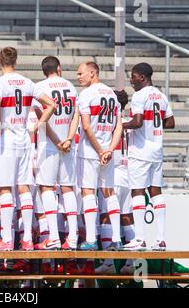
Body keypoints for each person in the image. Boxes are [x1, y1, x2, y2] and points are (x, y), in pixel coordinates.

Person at [0, 47, 56, 251]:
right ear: (16, 61)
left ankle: (7, 238)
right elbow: (52, 104)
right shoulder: (28, 82)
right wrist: (37, 126)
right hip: (24, 136)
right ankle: (27, 238)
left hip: (7, 137)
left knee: (4, 188)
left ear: (0, 60)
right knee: (24, 186)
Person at [123, 63, 175, 251]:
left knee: (137, 191)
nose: (131, 80)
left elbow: (136, 123)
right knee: (156, 191)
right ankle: (160, 239)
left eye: (134, 76)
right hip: (157, 150)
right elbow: (170, 123)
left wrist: (121, 125)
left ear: (142, 77)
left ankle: (140, 238)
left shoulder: (139, 95)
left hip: (141, 151)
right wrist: (154, 126)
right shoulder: (161, 95)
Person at [32, 56, 80, 250]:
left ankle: (53, 237)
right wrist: (68, 138)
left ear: (44, 71)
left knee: (47, 188)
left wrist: (58, 141)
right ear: (59, 68)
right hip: (68, 144)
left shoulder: (40, 87)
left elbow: (41, 120)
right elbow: (76, 115)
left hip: (50, 145)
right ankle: (73, 237)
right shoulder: (70, 86)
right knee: (68, 188)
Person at [76, 62, 123, 251]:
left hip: (90, 151)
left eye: (81, 73)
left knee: (88, 192)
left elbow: (86, 126)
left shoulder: (86, 94)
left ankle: (91, 239)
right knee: (109, 192)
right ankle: (117, 239)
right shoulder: (112, 94)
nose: (78, 76)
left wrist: (99, 150)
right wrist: (109, 149)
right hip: (107, 151)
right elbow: (119, 125)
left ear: (93, 73)